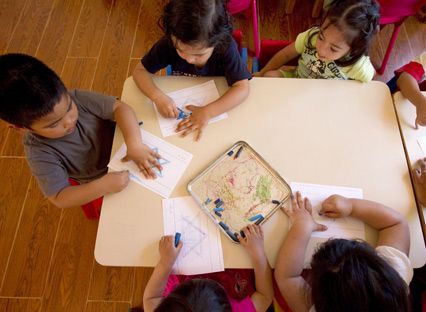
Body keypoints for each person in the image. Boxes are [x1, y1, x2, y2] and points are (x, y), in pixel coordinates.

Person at [0, 53, 162, 209]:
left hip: (123, 146)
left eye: (70, 108)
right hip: (98, 182)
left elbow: (120, 108)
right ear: (21, 128)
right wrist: (102, 186)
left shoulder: (76, 97)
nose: (69, 121)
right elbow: (59, 197)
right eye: (53, 124)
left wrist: (134, 145)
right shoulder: (39, 151)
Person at [133, 0, 251, 141]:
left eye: (199, 54)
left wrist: (208, 112)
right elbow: (139, 71)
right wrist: (157, 96)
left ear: (217, 42)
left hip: (219, 110)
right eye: (181, 51)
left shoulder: (225, 46)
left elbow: (242, 87)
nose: (189, 59)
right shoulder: (168, 44)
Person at [275, 191, 412, 312]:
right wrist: (351, 206)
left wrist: (302, 225)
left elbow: (287, 276)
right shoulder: (394, 279)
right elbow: (397, 224)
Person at [142, 224, 273, 312]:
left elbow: (150, 299)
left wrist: (165, 262)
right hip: (235, 272)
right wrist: (259, 254)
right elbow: (265, 296)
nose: (203, 276)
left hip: (182, 264)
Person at [255, 0, 379, 82]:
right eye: (321, 36)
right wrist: (262, 73)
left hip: (325, 102)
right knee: (269, 77)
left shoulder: (357, 65)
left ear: (353, 50)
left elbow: (370, 80)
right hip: (297, 80)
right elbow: (285, 54)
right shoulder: (311, 37)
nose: (321, 48)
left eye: (333, 48)